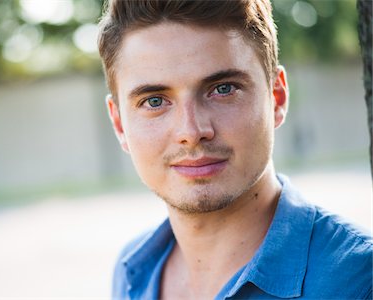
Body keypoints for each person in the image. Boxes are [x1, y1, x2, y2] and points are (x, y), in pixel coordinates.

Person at [97, 0, 373, 299]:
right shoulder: (131, 272)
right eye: (154, 101)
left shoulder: (358, 282)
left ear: (276, 97)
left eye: (223, 89)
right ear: (119, 124)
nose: (191, 132)